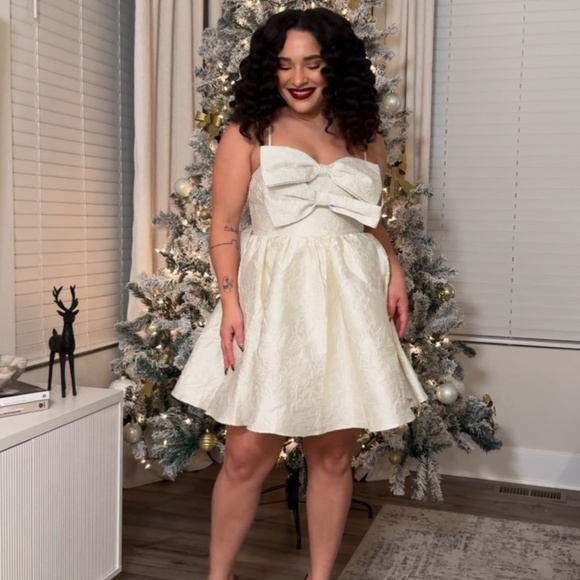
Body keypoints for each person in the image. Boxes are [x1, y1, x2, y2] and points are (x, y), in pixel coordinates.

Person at [172, 7, 427, 580]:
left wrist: (394, 268)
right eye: (285, 65)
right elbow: (223, 227)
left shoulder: (365, 136)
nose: (299, 77)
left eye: (312, 63)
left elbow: (368, 218)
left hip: (350, 299)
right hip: (274, 298)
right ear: (270, 69)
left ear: (336, 65)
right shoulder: (248, 132)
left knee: (333, 454)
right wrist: (231, 304)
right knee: (246, 455)